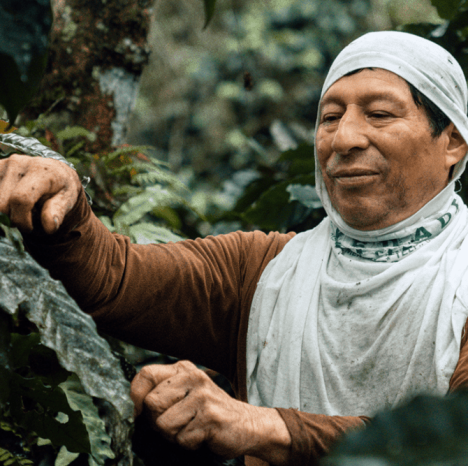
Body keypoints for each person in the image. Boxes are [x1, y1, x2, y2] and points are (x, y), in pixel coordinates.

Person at [2, 31, 468, 466]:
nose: (343, 139)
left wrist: (261, 426)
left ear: (452, 142)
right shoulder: (265, 270)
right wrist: (61, 203)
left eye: (380, 114)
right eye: (329, 117)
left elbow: (454, 438)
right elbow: (115, 279)